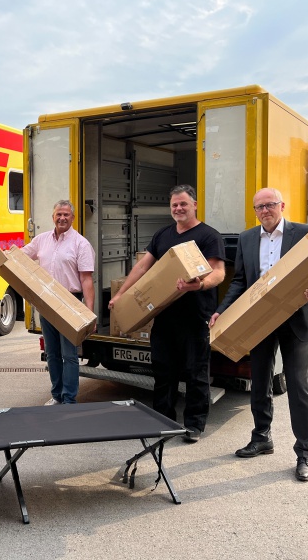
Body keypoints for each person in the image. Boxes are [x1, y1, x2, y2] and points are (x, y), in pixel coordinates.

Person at [209, 187, 308, 482]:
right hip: (260, 320)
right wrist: (222, 310)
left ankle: (305, 453)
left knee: (299, 387)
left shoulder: (304, 232)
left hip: (297, 318)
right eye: (259, 207)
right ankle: (262, 437)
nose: (265, 211)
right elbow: (240, 281)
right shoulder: (248, 238)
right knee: (259, 380)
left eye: (270, 205)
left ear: (282, 205)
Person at [109, 184, 225, 443]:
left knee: (196, 373)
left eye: (183, 204)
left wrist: (201, 284)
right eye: (174, 205)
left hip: (195, 316)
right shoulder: (163, 235)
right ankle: (163, 419)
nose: (178, 209)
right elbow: (142, 267)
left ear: (194, 204)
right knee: (163, 372)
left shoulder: (209, 236)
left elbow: (218, 272)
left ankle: (194, 425)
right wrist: (120, 295)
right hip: (164, 315)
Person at [22, 200, 95, 405]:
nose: (62, 218)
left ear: (72, 217)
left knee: (69, 354)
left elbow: (86, 279)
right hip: (47, 302)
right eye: (58, 214)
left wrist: (89, 313)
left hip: (70, 301)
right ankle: (56, 395)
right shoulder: (41, 240)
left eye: (66, 215)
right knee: (52, 353)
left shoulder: (81, 243)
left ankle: (69, 399)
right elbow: (19, 256)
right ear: (53, 217)